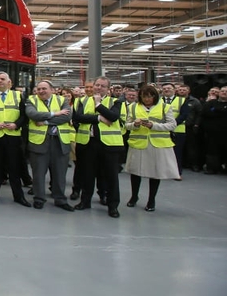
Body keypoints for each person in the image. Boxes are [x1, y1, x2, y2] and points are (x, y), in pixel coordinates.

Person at [73, 76, 124, 218]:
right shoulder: (81, 101)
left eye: (102, 86)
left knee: (111, 177)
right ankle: (85, 201)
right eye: (97, 85)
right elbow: (78, 117)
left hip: (109, 145)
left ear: (108, 89)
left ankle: (113, 206)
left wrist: (98, 105)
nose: (98, 88)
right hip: (87, 143)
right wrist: (99, 118)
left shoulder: (116, 101)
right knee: (87, 174)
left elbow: (113, 117)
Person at [124, 85, 179, 212]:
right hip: (138, 143)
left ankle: (151, 199)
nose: (147, 99)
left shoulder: (165, 107)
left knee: (155, 173)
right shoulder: (132, 107)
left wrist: (153, 125)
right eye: (144, 96)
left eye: (150, 96)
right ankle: (134, 196)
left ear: (155, 96)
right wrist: (135, 125)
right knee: (135, 172)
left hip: (157, 145)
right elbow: (127, 125)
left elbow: (172, 124)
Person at [0, 71, 31, 207]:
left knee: (14, 168)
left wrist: (16, 125)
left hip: (12, 137)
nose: (0, 81)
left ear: (8, 82)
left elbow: (24, 116)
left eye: (3, 79)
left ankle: (18, 196)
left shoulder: (18, 95)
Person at [24, 81, 75, 211]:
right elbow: (32, 115)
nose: (41, 91)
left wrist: (45, 121)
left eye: (44, 88)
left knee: (60, 173)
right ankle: (39, 198)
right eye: (39, 89)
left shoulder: (62, 100)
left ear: (52, 89)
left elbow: (67, 116)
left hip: (60, 142)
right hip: (39, 142)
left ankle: (60, 199)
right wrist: (54, 114)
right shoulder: (31, 100)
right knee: (38, 173)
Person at [200, 86, 227, 174]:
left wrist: (215, 110)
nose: (224, 92)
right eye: (222, 91)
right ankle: (212, 168)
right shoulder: (211, 102)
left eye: (226, 91)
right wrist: (219, 110)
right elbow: (205, 112)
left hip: (225, 133)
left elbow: (219, 112)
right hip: (212, 133)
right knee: (212, 152)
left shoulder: (212, 105)